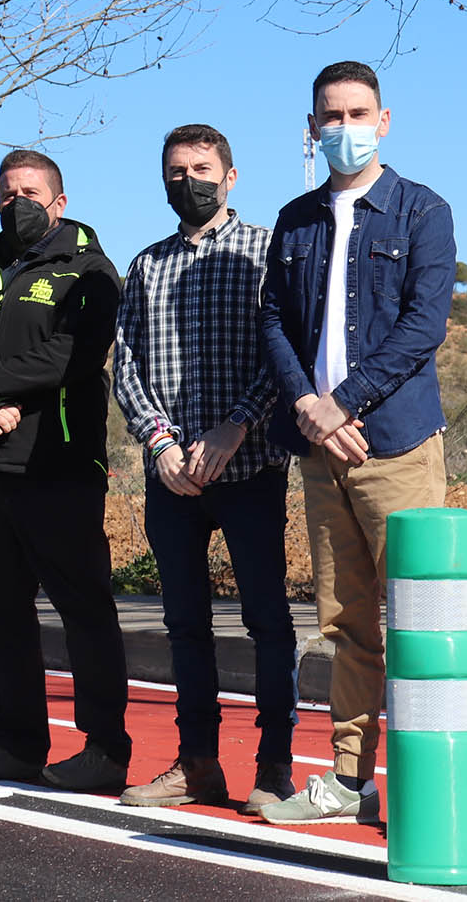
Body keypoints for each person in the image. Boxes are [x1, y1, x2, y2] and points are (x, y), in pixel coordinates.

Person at [256, 62, 456, 826]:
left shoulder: (420, 210)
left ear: (384, 118)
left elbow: (422, 326)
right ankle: (346, 778)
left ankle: (418, 783)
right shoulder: (295, 218)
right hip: (317, 449)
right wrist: (308, 408)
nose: (344, 126)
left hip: (394, 445)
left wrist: (341, 401)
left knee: (415, 616)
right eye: (330, 115)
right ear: (311, 127)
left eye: (358, 112)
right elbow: (273, 320)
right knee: (344, 619)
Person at [0, 149, 131, 792]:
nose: (20, 202)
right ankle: (16, 741)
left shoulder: (88, 269)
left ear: (60, 202)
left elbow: (72, 353)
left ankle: (103, 749)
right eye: (8, 193)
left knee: (84, 610)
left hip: (57, 465)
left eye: (32, 192)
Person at [112, 124, 298, 814]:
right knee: (184, 624)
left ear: (230, 174)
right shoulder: (146, 265)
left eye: (199, 167)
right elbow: (125, 365)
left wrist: (236, 422)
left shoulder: (263, 251)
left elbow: (283, 353)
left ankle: (273, 765)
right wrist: (159, 441)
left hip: (248, 468)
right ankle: (196, 764)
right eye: (174, 170)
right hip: (172, 480)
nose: (186, 180)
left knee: (267, 620)